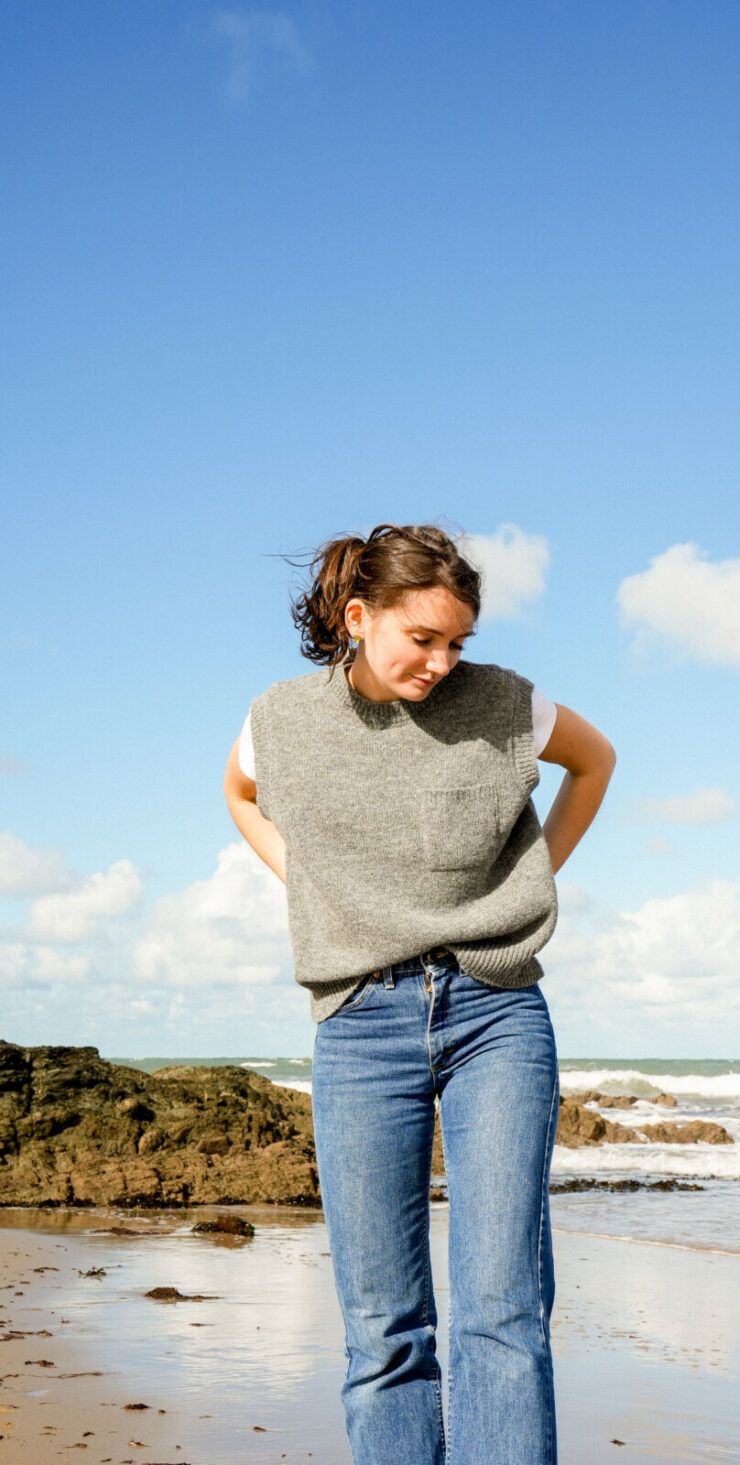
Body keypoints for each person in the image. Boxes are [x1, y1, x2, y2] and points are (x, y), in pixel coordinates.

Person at [223, 522, 615, 1465]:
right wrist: (315, 888)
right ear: (359, 619)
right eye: (423, 639)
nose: (442, 661)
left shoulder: (508, 706)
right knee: (383, 1325)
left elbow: (596, 762)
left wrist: (529, 880)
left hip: (497, 1013)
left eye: (458, 642)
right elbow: (239, 793)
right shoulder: (281, 718)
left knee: (501, 1309)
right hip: (360, 1023)